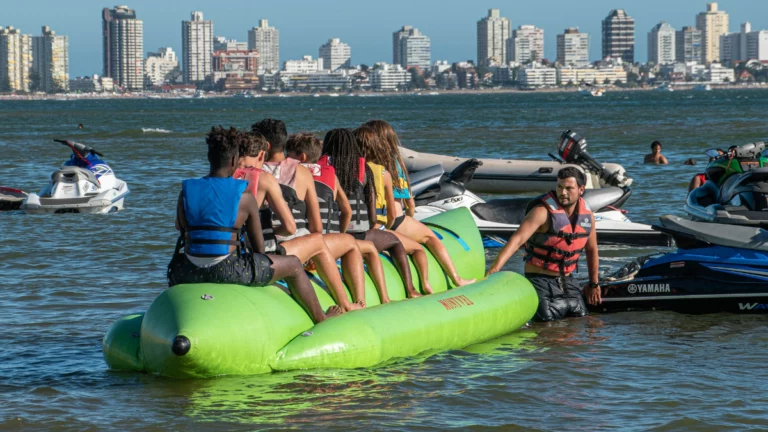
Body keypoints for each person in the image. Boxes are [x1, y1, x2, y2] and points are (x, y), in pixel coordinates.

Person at [167, 126, 340, 323]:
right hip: (228, 269)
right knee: (292, 264)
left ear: (209, 158)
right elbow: (258, 248)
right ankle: (321, 318)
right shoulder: (245, 195)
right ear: (234, 160)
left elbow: (181, 228)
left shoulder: (187, 191)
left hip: (186, 269)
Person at [253, 119, 368, 311]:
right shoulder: (303, 172)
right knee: (347, 242)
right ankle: (352, 302)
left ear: (264, 146)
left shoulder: (251, 173)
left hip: (261, 246)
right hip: (293, 246)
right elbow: (316, 227)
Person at [286, 131, 408, 303]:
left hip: (298, 241)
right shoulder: (338, 173)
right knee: (379, 245)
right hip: (331, 239)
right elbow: (351, 212)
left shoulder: (289, 174)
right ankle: (378, 298)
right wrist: (341, 233)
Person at [360, 121, 475, 288]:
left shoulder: (367, 166)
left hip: (374, 220)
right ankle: (454, 278)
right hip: (396, 219)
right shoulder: (394, 163)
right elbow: (409, 203)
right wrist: (410, 218)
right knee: (430, 238)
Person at [487, 167, 601, 322]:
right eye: (560, 187)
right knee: (546, 334)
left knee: (585, 327)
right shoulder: (542, 212)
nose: (563, 193)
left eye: (569, 188)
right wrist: (494, 269)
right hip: (540, 282)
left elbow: (592, 249)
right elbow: (517, 239)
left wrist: (594, 284)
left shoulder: (588, 216)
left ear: (581, 189)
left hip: (569, 283)